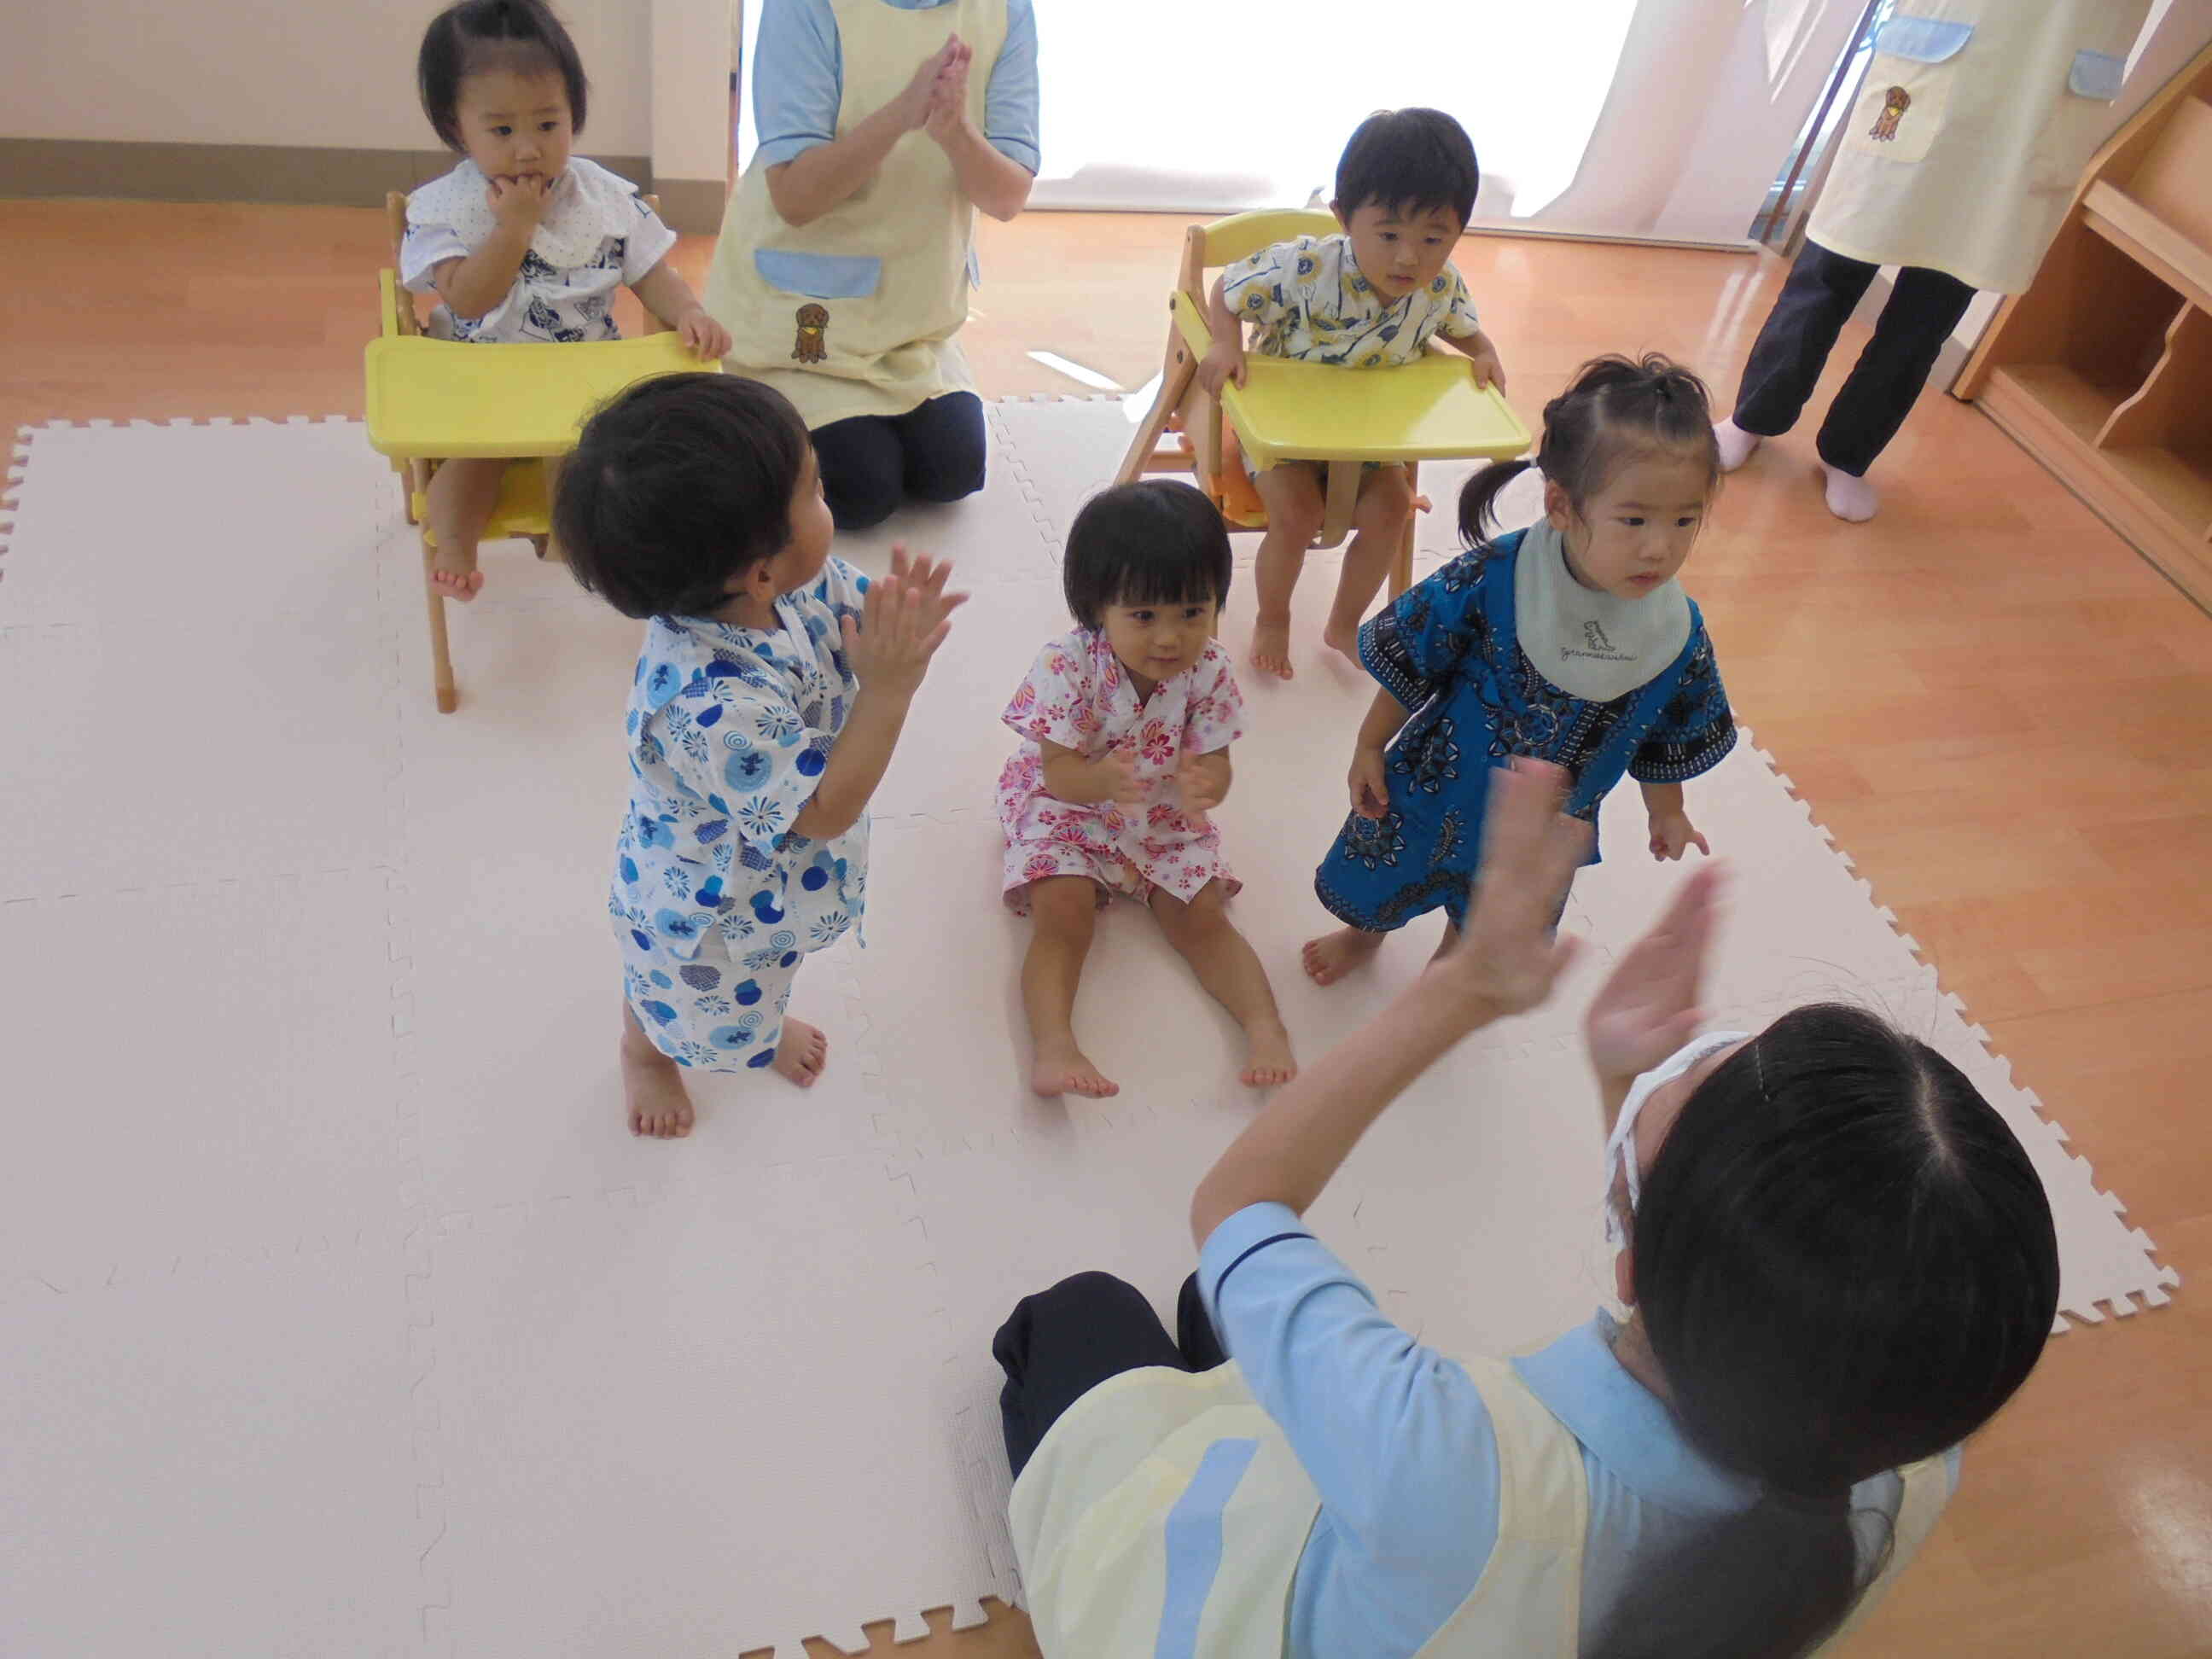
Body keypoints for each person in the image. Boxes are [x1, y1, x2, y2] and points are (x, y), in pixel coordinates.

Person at [996, 760, 2062, 1657]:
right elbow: (1702, 1277)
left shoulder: (1450, 1460)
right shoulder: (1904, 1464)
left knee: (1082, 1313)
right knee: (1218, 1314)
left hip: (1223, 1605)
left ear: (1637, 1260)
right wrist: (1627, 1096)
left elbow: (1238, 1202)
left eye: (1699, 1079)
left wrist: (1464, 993)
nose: (1682, 1066)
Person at [554, 374, 964, 1138]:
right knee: (677, 996)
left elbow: (845, 614)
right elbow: (821, 812)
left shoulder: (788, 587)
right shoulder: (710, 706)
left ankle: (758, 1023)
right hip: (704, 908)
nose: (828, 494)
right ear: (760, 571)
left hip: (765, 887)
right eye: (813, 489)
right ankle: (644, 1052)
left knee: (768, 975)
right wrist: (892, 689)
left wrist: (889, 625)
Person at [1305, 354, 1734, 989]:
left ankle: (1442, 988)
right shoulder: (1498, 576)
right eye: (1635, 519)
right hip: (1433, 785)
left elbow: (1665, 731)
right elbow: (1413, 660)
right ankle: (1362, 936)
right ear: (1561, 505)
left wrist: (1666, 811)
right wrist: (1370, 744)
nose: (1659, 547)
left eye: (1684, 520)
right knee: (1387, 871)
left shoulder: (1675, 633)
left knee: (1486, 925)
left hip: (1544, 831)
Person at [1714, 0, 2156, 521]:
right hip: (1940, 58)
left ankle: (1850, 454)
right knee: (1831, 265)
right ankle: (1753, 415)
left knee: (1933, 308)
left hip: (2046, 91)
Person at [401, 0, 732, 600]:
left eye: (547, 125)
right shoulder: (444, 208)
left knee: (593, 464)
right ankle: (453, 542)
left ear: (573, 117)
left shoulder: (601, 197)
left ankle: (574, 540)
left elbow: (653, 272)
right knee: (473, 467)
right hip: (484, 373)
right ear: (457, 127)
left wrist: (689, 312)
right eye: (502, 130)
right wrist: (514, 230)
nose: (528, 148)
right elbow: (469, 300)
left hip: (584, 375)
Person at [998, 480, 1296, 1100]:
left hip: (1159, 813)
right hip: (1070, 806)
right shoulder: (1066, 665)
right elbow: (1057, 773)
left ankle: (1266, 1026)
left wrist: (1208, 783)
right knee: (1063, 917)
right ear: (1096, 608)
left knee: (1203, 917)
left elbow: (1216, 760)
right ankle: (1055, 1046)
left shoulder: (1209, 669)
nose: (1169, 637)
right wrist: (1098, 779)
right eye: (1143, 616)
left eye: (1193, 611)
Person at [703, 0, 1040, 531]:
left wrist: (954, 132)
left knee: (953, 472)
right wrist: (902, 113)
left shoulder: (1005, 12)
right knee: (862, 491)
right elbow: (795, 197)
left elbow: (1006, 196)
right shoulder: (804, 9)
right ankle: (750, 405)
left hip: (914, 317)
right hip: (802, 316)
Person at [1198, 108, 1509, 681]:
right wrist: (1225, 344)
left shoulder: (1438, 285)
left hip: (1369, 439)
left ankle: (1345, 623)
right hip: (1284, 434)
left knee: (1391, 510)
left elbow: (1456, 325)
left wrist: (1484, 351)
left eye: (1434, 237)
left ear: (1459, 231)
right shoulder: (1308, 267)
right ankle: (1273, 615)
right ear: (1344, 217)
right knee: (1297, 513)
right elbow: (1226, 289)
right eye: (1389, 234)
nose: (1409, 257)